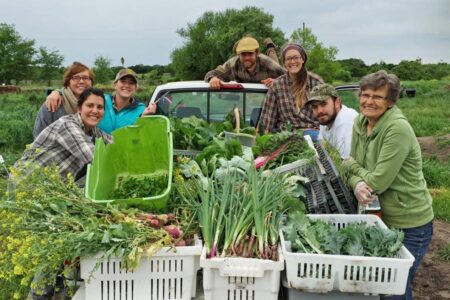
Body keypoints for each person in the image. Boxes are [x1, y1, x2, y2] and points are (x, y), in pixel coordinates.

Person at [345, 70, 434, 300]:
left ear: (391, 101)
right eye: (365, 95)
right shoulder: (360, 121)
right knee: (380, 285)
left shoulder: (397, 129)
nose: (369, 101)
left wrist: (354, 170)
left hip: (410, 223)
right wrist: (356, 182)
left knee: (395, 290)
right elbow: (349, 167)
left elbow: (377, 182)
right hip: (381, 219)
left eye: (377, 97)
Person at [20, 88, 112, 182]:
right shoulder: (67, 124)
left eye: (100, 107)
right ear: (79, 109)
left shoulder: (94, 132)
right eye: (90, 105)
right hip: (27, 182)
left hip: (51, 186)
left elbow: (115, 143)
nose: (95, 111)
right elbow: (94, 156)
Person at [44, 68, 157, 134]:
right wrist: (56, 92)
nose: (127, 85)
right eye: (123, 81)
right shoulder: (101, 99)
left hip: (123, 158)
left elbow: (141, 135)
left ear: (136, 88)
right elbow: (80, 92)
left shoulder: (141, 110)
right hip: (93, 154)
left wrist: (145, 119)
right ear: (115, 84)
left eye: (131, 83)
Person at [259, 43, 324, 140]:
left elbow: (327, 112)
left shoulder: (315, 82)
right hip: (287, 137)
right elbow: (268, 119)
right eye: (288, 59)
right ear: (284, 63)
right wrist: (262, 140)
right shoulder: (277, 85)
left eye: (296, 57)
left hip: (313, 134)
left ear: (303, 59)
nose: (292, 61)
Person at [33, 61, 94, 138]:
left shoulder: (97, 104)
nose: (81, 81)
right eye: (75, 78)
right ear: (68, 82)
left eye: (85, 78)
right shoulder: (53, 104)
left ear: (91, 82)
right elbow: (39, 137)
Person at [204, 36, 285, 89]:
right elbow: (212, 73)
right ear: (238, 55)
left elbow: (290, 77)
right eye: (243, 54)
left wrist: (276, 82)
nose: (246, 58)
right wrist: (213, 78)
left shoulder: (269, 64)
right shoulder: (233, 64)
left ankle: (270, 46)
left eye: (250, 53)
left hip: (270, 66)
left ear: (256, 53)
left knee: (273, 56)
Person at [306, 83, 358, 158]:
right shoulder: (325, 119)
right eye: (314, 107)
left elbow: (346, 161)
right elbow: (321, 146)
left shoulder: (347, 120)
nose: (319, 110)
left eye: (323, 104)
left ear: (337, 103)